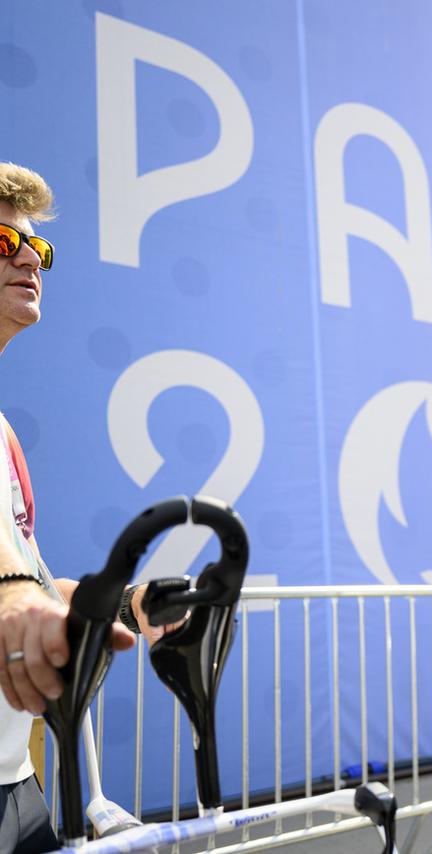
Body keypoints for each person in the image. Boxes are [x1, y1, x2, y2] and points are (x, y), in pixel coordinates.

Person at [0, 162, 176, 852]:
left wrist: (124, 601)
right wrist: (14, 597)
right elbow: (12, 590)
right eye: (2, 243)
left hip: (15, 784)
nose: (28, 261)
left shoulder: (4, 435)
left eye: (37, 249)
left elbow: (30, 584)